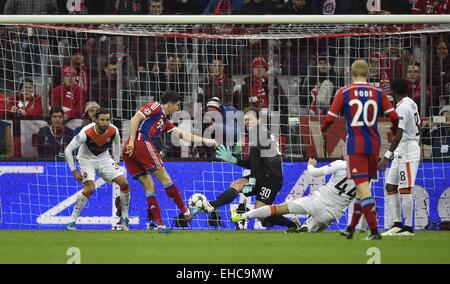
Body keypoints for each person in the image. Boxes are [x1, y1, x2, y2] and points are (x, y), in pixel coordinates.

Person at [321, 60, 399, 240]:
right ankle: (350, 229)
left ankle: (374, 231)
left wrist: (324, 129)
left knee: (363, 188)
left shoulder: (345, 92)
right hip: (374, 144)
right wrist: (394, 130)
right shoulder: (378, 93)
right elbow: (394, 116)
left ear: (351, 72)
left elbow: (330, 118)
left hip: (355, 145)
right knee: (360, 187)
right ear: (368, 72)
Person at [123, 91, 217, 233]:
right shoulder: (155, 107)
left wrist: (206, 141)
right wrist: (131, 139)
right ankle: (186, 213)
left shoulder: (163, 121)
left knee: (150, 187)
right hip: (140, 143)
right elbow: (135, 118)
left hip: (129, 150)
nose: (178, 109)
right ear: (170, 104)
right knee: (166, 179)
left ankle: (160, 225)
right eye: (177, 105)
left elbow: (184, 135)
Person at [195, 106, 300, 230]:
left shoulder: (259, 134)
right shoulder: (259, 133)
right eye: (244, 121)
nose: (246, 123)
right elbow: (254, 163)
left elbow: (256, 164)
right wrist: (233, 159)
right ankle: (212, 205)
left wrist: (252, 180)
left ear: (259, 120)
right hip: (263, 175)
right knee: (237, 184)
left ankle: (293, 224)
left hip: (271, 180)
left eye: (249, 119)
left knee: (260, 213)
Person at [231, 158, 356, 233]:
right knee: (314, 227)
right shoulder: (366, 178)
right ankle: (307, 226)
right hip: (333, 213)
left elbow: (314, 172)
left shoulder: (341, 165)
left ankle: (241, 216)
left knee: (277, 208)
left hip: (317, 201)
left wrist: (310, 165)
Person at [64, 109, 130, 231]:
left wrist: (116, 163)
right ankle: (72, 221)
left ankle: (125, 218)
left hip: (104, 158)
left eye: (107, 120)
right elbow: (68, 150)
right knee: (90, 188)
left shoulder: (113, 130)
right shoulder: (86, 132)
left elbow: (116, 144)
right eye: (102, 120)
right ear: (95, 120)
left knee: (124, 183)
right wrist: (74, 170)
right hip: (86, 160)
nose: (105, 123)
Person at [379, 78, 421, 236]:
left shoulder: (402, 107)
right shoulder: (411, 103)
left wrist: (386, 156)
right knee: (390, 186)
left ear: (393, 92)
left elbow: (398, 134)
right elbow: (418, 127)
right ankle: (397, 225)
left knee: (405, 188)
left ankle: (409, 228)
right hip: (403, 150)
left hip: (407, 151)